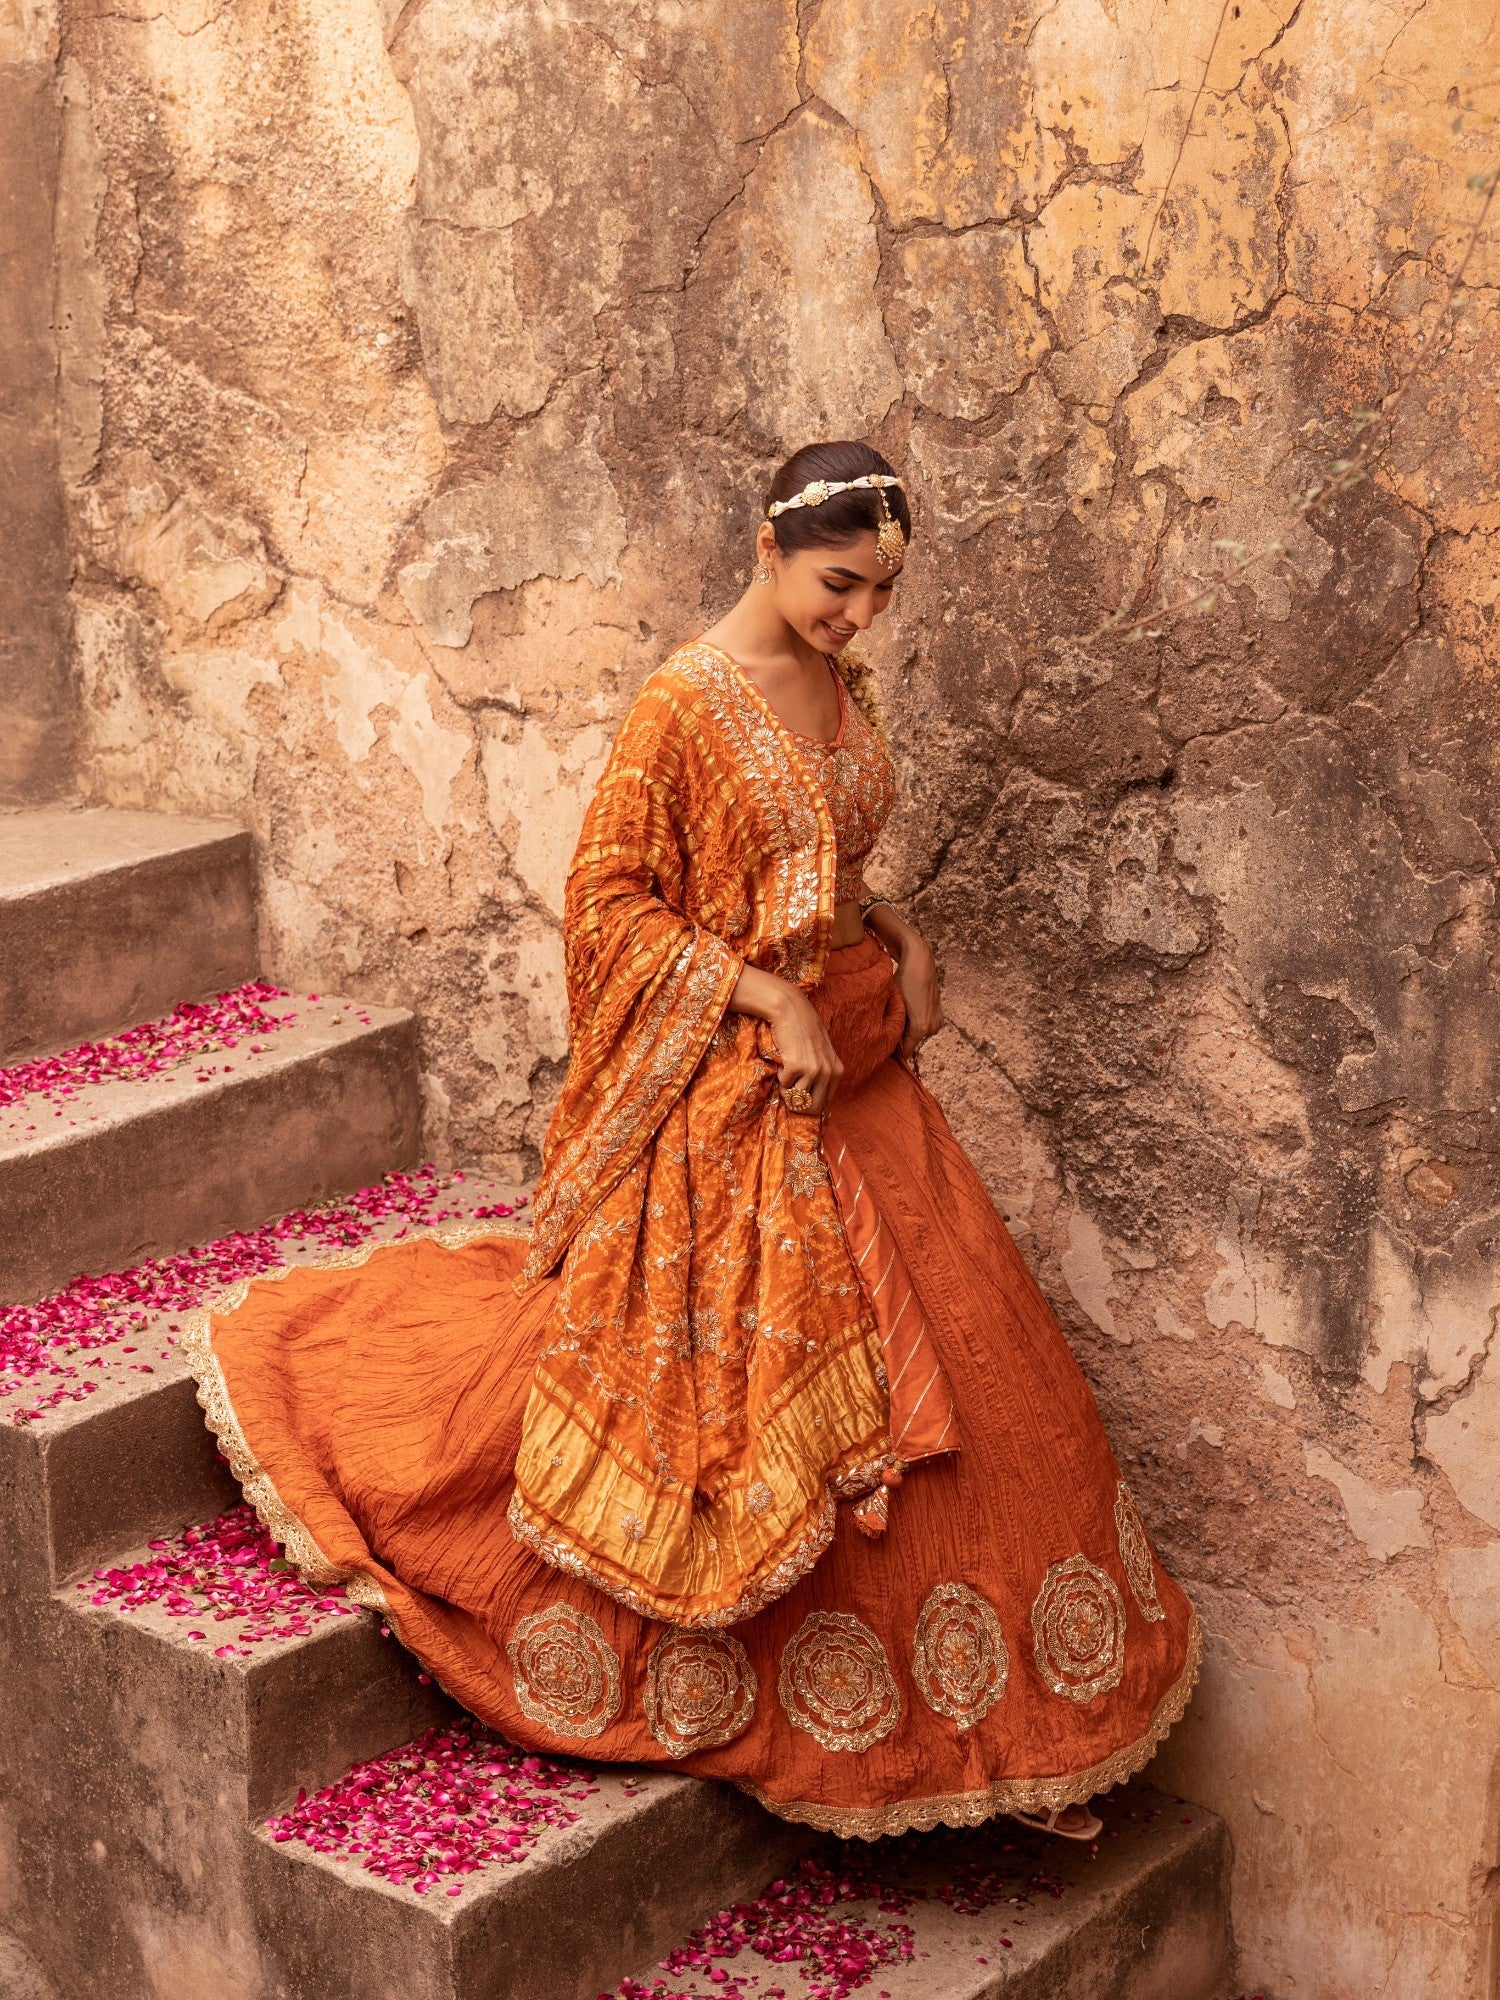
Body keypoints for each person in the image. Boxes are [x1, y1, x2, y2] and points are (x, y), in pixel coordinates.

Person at [188, 439, 1199, 1842]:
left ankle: (983, 1735)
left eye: (882, 595)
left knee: (989, 1410)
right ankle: (872, 1735)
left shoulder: (845, 682)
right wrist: (768, 990)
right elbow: (608, 906)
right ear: (770, 548)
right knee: (823, 1422)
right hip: (745, 1095)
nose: (859, 618)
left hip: (864, 1065)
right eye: (841, 585)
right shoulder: (685, 707)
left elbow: (824, 865)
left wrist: (901, 935)